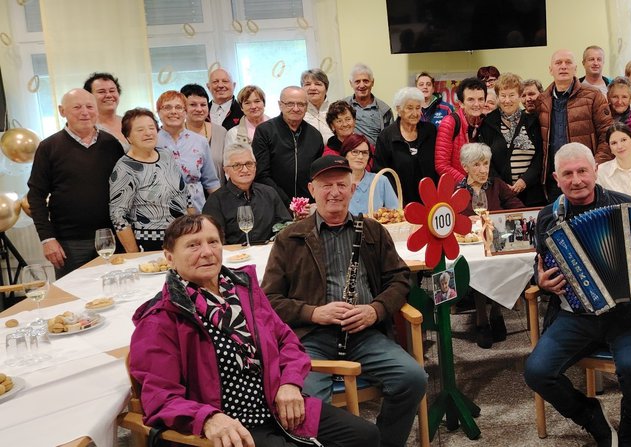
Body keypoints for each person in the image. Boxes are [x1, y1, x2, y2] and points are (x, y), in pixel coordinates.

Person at [129, 214, 379, 447]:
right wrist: (208, 418)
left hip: (275, 405)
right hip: (231, 428)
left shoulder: (242, 290)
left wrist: (289, 384)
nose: (207, 252)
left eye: (213, 241)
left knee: (366, 436)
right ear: (169, 257)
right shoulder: (161, 318)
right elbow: (161, 397)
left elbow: (286, 341)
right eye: (193, 245)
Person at [262, 155, 427, 447]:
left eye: (342, 184)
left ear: (352, 189)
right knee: (305, 403)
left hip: (364, 334)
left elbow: (400, 279)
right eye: (326, 185)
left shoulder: (373, 230)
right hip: (311, 339)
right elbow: (269, 300)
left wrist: (375, 311)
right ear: (311, 190)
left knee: (413, 378)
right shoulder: (290, 238)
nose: (335, 192)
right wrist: (314, 313)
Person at [524, 143, 631, 447]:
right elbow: (539, 265)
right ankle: (590, 416)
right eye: (568, 174)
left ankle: (630, 427)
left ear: (595, 171)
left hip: (625, 314)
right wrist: (541, 281)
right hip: (574, 315)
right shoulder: (547, 218)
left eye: (582, 171)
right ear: (556, 177)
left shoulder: (627, 206)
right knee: (537, 372)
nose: (576, 180)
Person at [27, 89, 124, 278]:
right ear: (62, 111)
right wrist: (47, 238)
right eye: (77, 107)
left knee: (116, 293)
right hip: (69, 242)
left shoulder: (111, 144)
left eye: (89, 106)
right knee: (73, 298)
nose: (85, 112)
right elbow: (35, 196)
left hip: (110, 238)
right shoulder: (49, 147)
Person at [455, 143, 523, 348]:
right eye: (477, 164)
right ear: (465, 167)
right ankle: (483, 319)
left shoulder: (497, 185)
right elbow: (452, 220)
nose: (483, 170)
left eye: (486, 164)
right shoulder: (456, 191)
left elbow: (517, 210)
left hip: (496, 242)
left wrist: (503, 223)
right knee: (479, 266)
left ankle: (495, 312)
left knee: (497, 262)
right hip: (469, 245)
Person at [538, 49, 614, 200]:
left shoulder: (593, 96)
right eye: (558, 63)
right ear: (550, 69)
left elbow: (607, 135)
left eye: (568, 62)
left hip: (585, 179)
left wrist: (593, 168)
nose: (563, 66)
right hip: (555, 180)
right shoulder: (542, 101)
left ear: (576, 68)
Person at [110, 108, 189, 252]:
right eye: (140, 130)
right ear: (128, 137)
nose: (148, 133)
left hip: (183, 236)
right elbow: (118, 216)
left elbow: (186, 195)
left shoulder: (166, 155)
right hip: (149, 243)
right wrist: (134, 256)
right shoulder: (124, 168)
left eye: (151, 128)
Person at [203, 143, 291, 245]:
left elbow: (285, 225)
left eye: (249, 164)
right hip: (233, 257)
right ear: (226, 170)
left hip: (267, 254)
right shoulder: (216, 201)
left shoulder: (269, 193)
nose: (245, 170)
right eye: (237, 165)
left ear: (255, 166)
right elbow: (214, 240)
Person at [478, 73, 546, 206]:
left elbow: (540, 156)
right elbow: (485, 160)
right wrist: (502, 185)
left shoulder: (532, 121)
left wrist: (524, 180)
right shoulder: (488, 123)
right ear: (497, 97)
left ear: (520, 96)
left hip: (532, 193)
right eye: (503, 95)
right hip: (500, 196)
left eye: (512, 95)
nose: (507, 100)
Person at [252, 86, 325, 204]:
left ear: (307, 107)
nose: (296, 109)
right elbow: (261, 174)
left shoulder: (315, 136)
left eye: (301, 104)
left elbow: (317, 176)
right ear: (280, 105)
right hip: (274, 203)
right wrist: (288, 203)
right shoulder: (265, 131)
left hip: (307, 205)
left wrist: (305, 204)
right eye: (290, 104)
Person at [156, 90, 221, 212]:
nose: (173, 111)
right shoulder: (152, 142)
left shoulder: (200, 141)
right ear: (158, 112)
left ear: (185, 112)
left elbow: (211, 182)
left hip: (198, 209)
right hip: (162, 211)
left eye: (179, 107)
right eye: (167, 107)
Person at [375, 87, 438, 205]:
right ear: (399, 109)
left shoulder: (430, 131)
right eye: (410, 108)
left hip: (430, 201)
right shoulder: (386, 136)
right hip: (399, 202)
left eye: (418, 108)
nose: (415, 113)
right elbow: (382, 172)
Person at [435, 77, 487, 183]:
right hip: (457, 190)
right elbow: (441, 165)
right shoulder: (449, 122)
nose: (477, 104)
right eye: (471, 99)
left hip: (480, 187)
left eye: (480, 99)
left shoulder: (485, 122)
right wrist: (467, 182)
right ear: (461, 103)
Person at [338, 133, 398, 216]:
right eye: (355, 152)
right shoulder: (336, 182)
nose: (360, 157)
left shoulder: (381, 180)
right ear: (345, 155)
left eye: (365, 153)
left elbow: (395, 214)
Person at [181, 83, 229, 184]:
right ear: (183, 107)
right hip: (188, 196)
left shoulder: (221, 132)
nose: (199, 109)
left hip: (219, 193)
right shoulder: (177, 134)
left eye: (203, 105)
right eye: (193, 105)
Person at [344, 63, 393, 144]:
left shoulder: (384, 110)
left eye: (366, 81)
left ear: (372, 82)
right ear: (351, 83)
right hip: (348, 154)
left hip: (376, 155)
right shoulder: (343, 106)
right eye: (357, 81)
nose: (362, 85)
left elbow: (389, 139)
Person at [83, 72, 127, 148]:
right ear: (89, 97)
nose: (109, 95)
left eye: (112, 91)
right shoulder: (88, 129)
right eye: (101, 92)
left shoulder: (129, 122)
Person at [224, 85, 270, 150]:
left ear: (264, 103)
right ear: (241, 107)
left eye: (257, 101)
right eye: (247, 103)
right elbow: (230, 159)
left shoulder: (278, 127)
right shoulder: (233, 134)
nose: (253, 106)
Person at [302, 69, 334, 142]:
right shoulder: (297, 111)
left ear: (326, 88)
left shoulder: (335, 110)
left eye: (318, 84)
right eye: (307, 84)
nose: (312, 88)